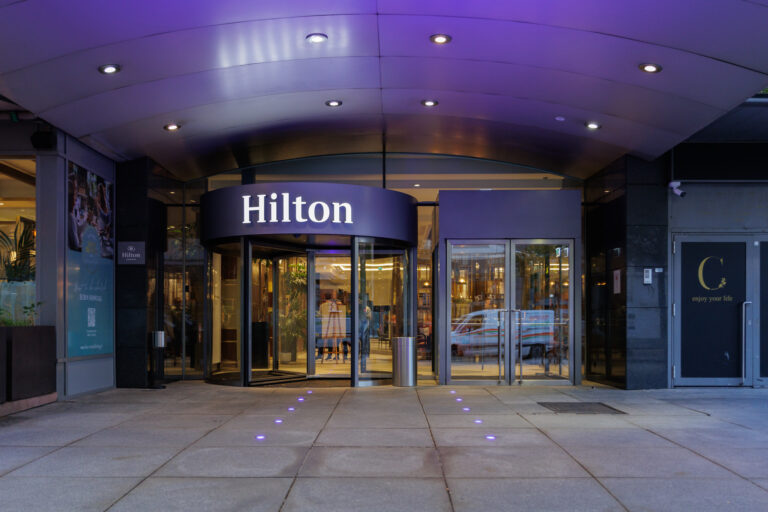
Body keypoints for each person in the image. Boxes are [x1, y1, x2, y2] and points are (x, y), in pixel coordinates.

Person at [319, 290, 346, 362]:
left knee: (336, 340)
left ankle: (336, 355)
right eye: (332, 294)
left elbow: (341, 306)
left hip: (337, 323)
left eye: (335, 294)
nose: (333, 295)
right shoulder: (327, 303)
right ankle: (329, 355)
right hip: (329, 323)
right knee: (330, 340)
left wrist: (337, 304)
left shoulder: (338, 302)